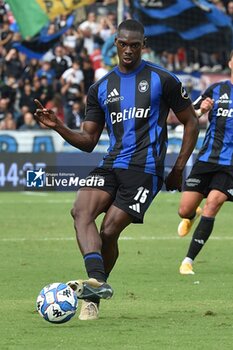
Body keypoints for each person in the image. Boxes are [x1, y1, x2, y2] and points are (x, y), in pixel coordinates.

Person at [34, 19, 199, 321]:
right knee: (79, 212)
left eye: (135, 45)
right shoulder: (100, 88)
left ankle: (95, 291)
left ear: (143, 45)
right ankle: (96, 284)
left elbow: (191, 121)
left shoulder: (164, 80)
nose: (128, 50)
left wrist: (177, 168)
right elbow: (87, 140)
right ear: (116, 43)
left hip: (145, 169)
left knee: (109, 231)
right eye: (123, 44)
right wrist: (59, 126)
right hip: (111, 163)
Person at [178, 51, 233, 275]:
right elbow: (190, 114)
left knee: (213, 204)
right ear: (230, 62)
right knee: (184, 209)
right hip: (206, 159)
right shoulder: (216, 90)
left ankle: (188, 260)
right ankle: (192, 215)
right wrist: (203, 110)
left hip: (230, 166)